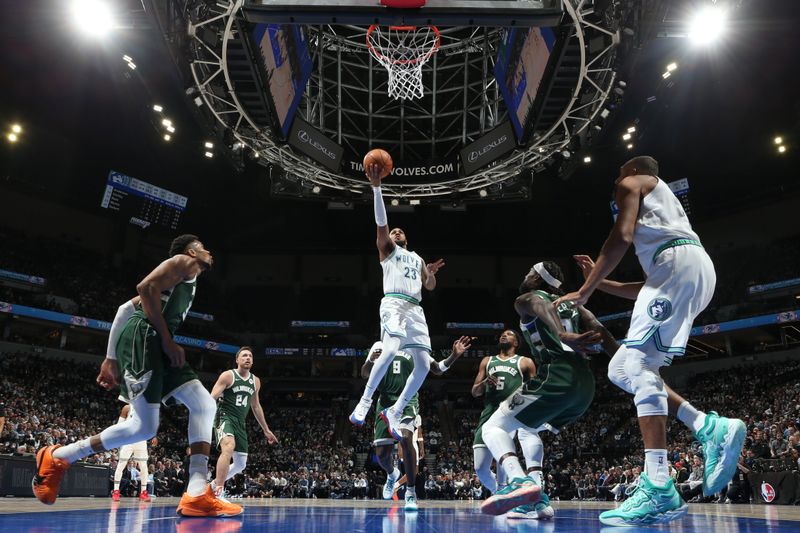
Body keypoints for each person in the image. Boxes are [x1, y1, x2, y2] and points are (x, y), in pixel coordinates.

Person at [555, 156, 746, 526]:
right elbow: (648, 286)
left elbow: (620, 237)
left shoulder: (631, 182)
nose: (617, 187)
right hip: (692, 269)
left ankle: (659, 485)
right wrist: (601, 282)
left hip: (676, 265)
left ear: (629, 173)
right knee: (621, 367)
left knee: (640, 364)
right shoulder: (667, 217)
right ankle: (707, 426)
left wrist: (586, 288)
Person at [32, 235, 242, 517]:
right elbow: (145, 287)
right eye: (203, 246)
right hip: (146, 339)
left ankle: (195, 492)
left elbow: (123, 309)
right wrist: (159, 343)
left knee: (203, 405)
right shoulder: (185, 262)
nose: (208, 251)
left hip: (156, 342)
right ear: (192, 251)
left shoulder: (181, 279)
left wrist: (110, 357)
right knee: (144, 427)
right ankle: (57, 457)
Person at [479, 261, 614, 516]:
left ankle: (519, 482)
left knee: (492, 427)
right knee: (528, 428)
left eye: (530, 273)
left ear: (539, 279)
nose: (525, 276)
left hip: (557, 374)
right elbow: (599, 328)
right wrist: (623, 361)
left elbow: (538, 304)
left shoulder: (527, 298)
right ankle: (538, 500)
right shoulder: (575, 304)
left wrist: (562, 335)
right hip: (585, 386)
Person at [349, 163, 446, 441]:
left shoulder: (416, 258)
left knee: (424, 365)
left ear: (408, 238)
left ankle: (397, 409)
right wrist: (377, 187)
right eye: (394, 232)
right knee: (389, 349)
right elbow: (381, 223)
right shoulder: (388, 251)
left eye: (400, 231)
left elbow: (429, 286)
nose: (396, 231)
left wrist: (430, 274)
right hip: (393, 303)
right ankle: (366, 400)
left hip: (416, 309)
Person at [366, 336, 470, 510]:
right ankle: (392, 474)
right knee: (382, 455)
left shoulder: (416, 346)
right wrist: (371, 360)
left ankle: (411, 493)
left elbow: (437, 369)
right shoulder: (380, 345)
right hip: (385, 403)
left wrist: (454, 356)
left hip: (408, 402)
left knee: (406, 439)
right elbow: (364, 374)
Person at [470, 330, 540, 505]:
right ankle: (497, 491)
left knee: (503, 462)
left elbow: (535, 390)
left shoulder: (524, 362)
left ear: (516, 342)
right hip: (488, 413)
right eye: (502, 334)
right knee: (479, 467)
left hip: (510, 414)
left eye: (509, 334)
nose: (503, 335)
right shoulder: (487, 361)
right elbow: (475, 392)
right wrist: (485, 383)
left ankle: (503, 494)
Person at [210, 346, 278, 499]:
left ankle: (213, 485)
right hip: (224, 416)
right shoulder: (228, 376)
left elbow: (255, 406)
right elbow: (211, 397)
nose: (248, 358)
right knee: (228, 447)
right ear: (237, 360)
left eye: (250, 356)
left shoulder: (256, 381)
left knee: (241, 464)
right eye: (244, 355)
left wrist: (266, 430)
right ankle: (218, 491)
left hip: (240, 423)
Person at [111, 404, 155, 502]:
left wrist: (153, 436)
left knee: (144, 467)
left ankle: (143, 492)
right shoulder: (127, 408)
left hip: (141, 440)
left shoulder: (147, 408)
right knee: (121, 465)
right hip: (128, 440)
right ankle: (116, 491)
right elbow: (119, 425)